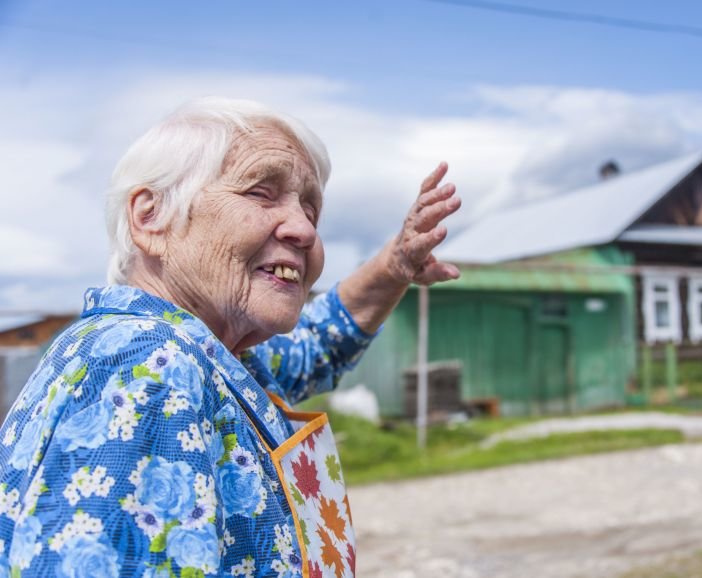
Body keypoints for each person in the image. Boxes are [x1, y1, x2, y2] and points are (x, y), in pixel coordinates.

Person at [0, 97, 461, 577]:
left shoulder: (209, 354)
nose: (304, 229)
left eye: (311, 209)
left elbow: (315, 347)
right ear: (151, 218)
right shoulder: (148, 363)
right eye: (261, 192)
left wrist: (395, 265)